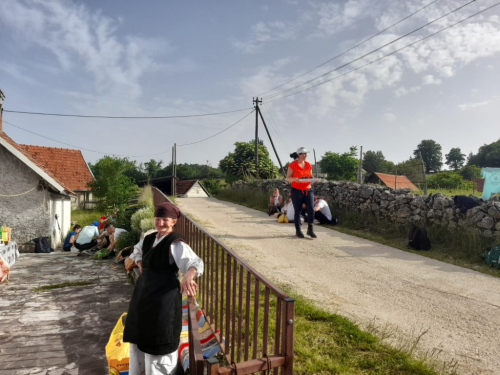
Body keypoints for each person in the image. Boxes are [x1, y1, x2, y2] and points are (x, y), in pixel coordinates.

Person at [124, 202, 204, 375]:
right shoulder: (149, 238)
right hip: (143, 295)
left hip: (163, 298)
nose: (161, 223)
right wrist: (140, 264)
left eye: (165, 220)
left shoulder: (175, 243)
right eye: (158, 219)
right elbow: (136, 252)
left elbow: (195, 262)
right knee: (140, 336)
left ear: (174, 221)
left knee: (159, 339)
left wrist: (189, 274)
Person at [286, 147, 317, 238]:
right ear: (299, 155)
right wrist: (294, 179)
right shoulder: (293, 165)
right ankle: (298, 230)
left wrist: (315, 179)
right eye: (304, 154)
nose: (306, 155)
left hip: (308, 189)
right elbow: (288, 178)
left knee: (311, 209)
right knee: (298, 210)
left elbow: (310, 176)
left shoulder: (308, 165)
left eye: (306, 154)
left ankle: (310, 229)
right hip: (296, 190)